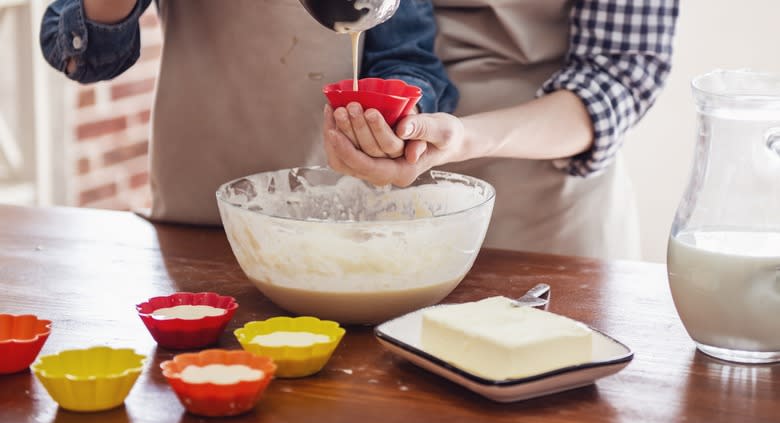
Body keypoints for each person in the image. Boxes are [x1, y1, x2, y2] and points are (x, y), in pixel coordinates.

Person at [39, 0, 455, 224]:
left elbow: (408, 60)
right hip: (195, 218)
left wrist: (398, 121)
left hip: (338, 219)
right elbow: (85, 55)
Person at [326, 0, 679, 259]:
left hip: (538, 210)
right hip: (352, 195)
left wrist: (461, 138)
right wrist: (402, 109)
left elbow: (617, 75)